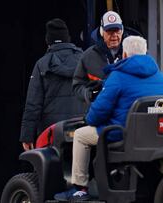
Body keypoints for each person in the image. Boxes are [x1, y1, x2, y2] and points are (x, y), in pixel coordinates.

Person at [54, 36, 163, 201]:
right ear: (145, 53)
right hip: (153, 137)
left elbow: (99, 112)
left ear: (125, 54)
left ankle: (80, 189)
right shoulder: (159, 76)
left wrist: (89, 119)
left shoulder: (118, 76)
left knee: (81, 135)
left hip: (121, 134)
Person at [20, 18, 85, 151]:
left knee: (50, 169)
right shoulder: (85, 60)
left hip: (51, 132)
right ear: (67, 38)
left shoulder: (41, 64)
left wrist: (27, 136)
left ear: (48, 41)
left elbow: (33, 104)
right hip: (82, 127)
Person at [73, 11, 124, 104]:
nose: (114, 35)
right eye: (109, 31)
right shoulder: (88, 56)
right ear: (101, 32)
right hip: (100, 112)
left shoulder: (132, 52)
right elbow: (77, 85)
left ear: (122, 31)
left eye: (117, 31)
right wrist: (88, 94)